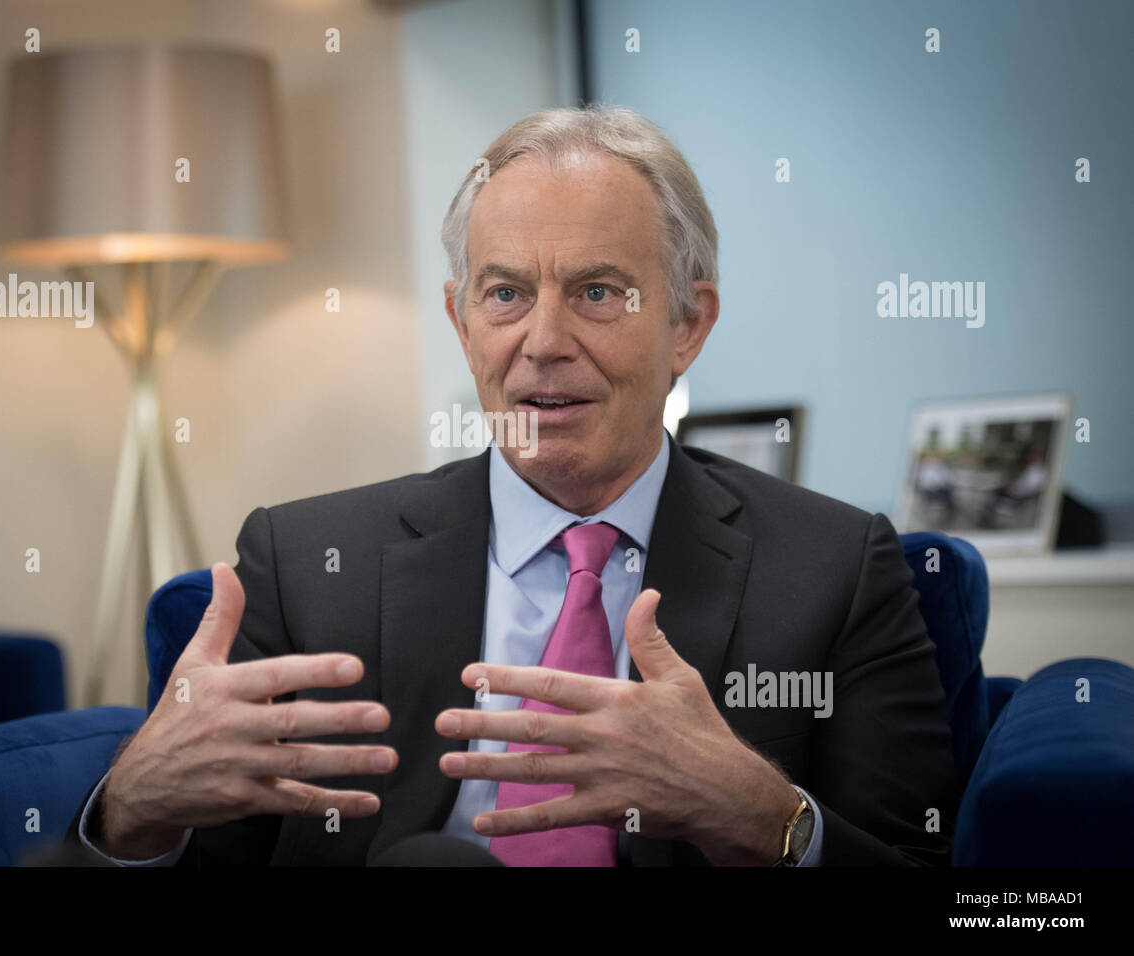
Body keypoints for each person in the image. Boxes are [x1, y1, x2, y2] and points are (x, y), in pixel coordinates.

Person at [70, 105, 959, 866]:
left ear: (689, 325)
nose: (542, 341)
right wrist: (129, 813)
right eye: (505, 294)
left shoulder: (834, 568)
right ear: (462, 322)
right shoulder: (306, 564)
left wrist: (767, 817)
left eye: (599, 292)